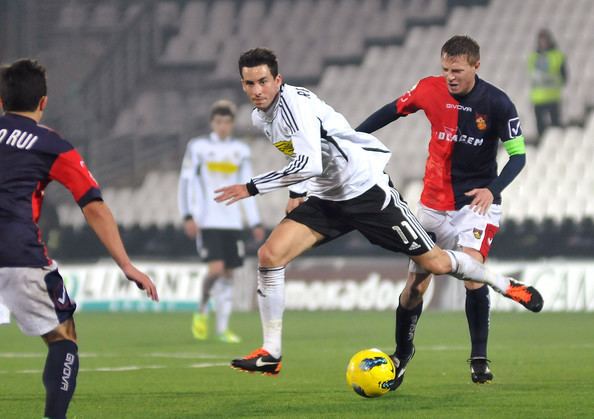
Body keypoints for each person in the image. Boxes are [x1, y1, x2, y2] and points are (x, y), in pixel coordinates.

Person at [214, 47, 542, 380]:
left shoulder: (295, 106)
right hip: (329, 197)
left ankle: (502, 284)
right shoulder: (261, 117)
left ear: (278, 80)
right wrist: (298, 192)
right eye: (249, 83)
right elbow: (301, 154)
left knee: (438, 264)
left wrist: (252, 187)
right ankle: (272, 353)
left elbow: (309, 161)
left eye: (263, 81)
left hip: (367, 192)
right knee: (270, 255)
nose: (257, 90)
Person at [356, 35, 526, 385]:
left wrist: (493, 191)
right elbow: (391, 110)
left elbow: (518, 155)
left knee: (473, 274)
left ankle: (479, 356)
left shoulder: (498, 103)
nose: (450, 76)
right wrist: (352, 137)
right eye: (446, 69)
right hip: (432, 204)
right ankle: (402, 354)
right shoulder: (429, 89)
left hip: (475, 206)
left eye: (457, 70)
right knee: (415, 286)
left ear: (476, 66)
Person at [0, 59, 159, 419]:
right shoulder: (50, 144)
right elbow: (93, 205)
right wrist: (126, 264)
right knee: (63, 338)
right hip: (18, 255)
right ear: (43, 102)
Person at [178, 100, 265, 343]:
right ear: (212, 123)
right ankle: (202, 310)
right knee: (215, 270)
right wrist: (188, 215)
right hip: (208, 220)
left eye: (227, 122)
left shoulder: (241, 151)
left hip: (233, 222)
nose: (223, 126)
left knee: (229, 274)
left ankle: (223, 328)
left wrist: (254, 221)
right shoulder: (198, 147)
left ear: (232, 124)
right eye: (218, 122)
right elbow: (185, 183)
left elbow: (247, 188)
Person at [528, 29, 567, 138]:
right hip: (538, 98)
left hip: (553, 97)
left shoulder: (557, 55)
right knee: (541, 129)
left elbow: (564, 76)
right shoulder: (533, 57)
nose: (543, 43)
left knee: (556, 127)